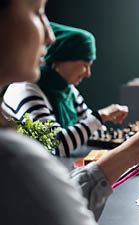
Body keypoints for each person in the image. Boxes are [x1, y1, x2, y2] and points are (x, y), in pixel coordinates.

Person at [0, 1, 139, 225]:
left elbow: (63, 205)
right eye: (37, 13)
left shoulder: (65, 93)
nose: (49, 36)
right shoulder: (13, 158)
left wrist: (132, 149)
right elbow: (60, 143)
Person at [1, 22, 129, 157]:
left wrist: (132, 137)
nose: (88, 73)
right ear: (60, 60)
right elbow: (56, 145)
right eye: (85, 65)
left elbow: (92, 131)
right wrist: (102, 115)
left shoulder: (68, 90)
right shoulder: (26, 89)